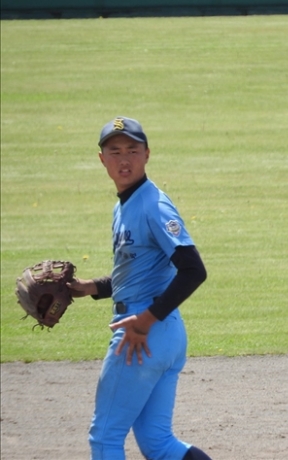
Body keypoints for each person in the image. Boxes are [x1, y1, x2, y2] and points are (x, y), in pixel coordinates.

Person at [68, 116, 213, 460]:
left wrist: (146, 320)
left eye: (132, 150)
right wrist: (89, 287)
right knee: (158, 443)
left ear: (147, 154)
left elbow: (193, 270)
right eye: (115, 151)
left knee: (104, 438)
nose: (124, 159)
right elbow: (138, 272)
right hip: (163, 332)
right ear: (102, 159)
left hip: (142, 332)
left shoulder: (153, 205)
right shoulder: (126, 205)